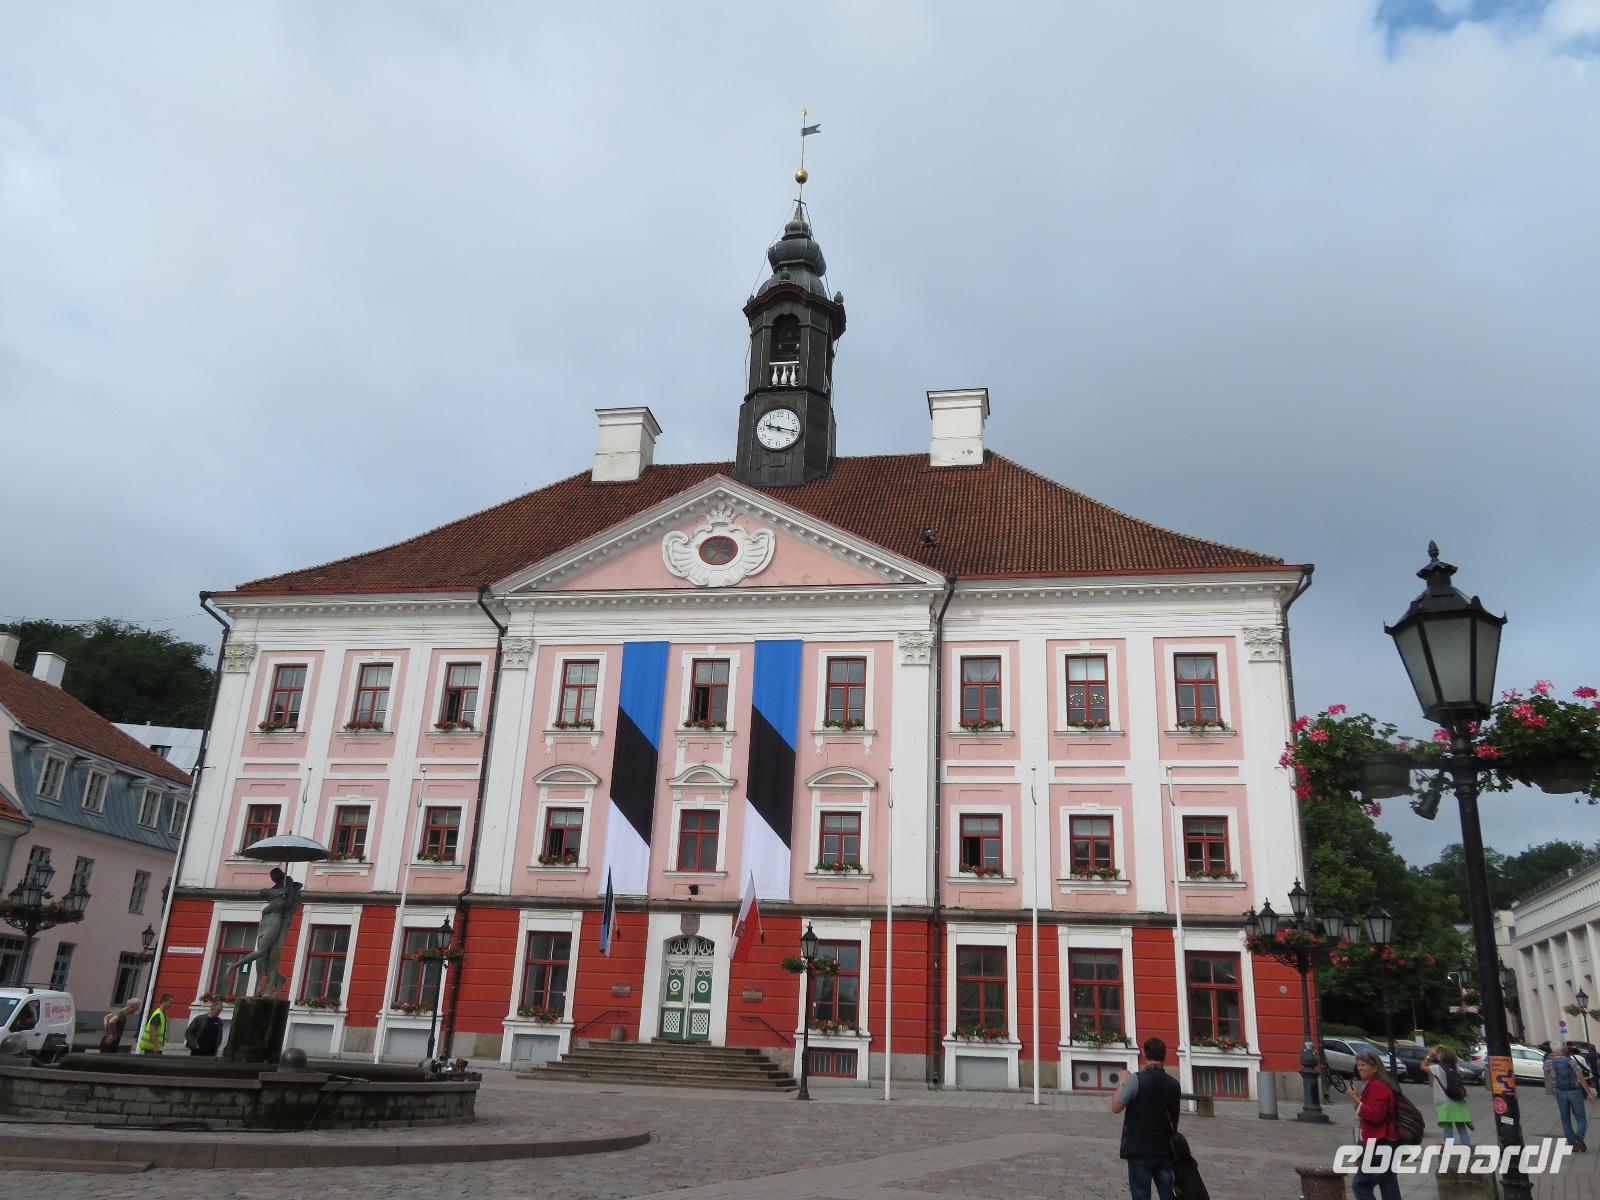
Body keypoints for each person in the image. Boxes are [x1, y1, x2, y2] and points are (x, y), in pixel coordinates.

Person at [1110, 1036, 1182, 1200]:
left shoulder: (1136, 1080)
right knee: (1167, 1194)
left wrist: (1122, 1083)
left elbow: (1116, 1107)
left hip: (1140, 1148)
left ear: (1143, 1053)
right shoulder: (1173, 1084)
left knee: (1141, 1194)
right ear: (1165, 1055)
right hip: (1165, 1148)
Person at [1348, 1050, 1403, 1200]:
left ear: (1375, 1068)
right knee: (1388, 1186)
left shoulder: (1378, 1086)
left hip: (1381, 1142)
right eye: (1358, 1064)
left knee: (1360, 1185)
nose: (1359, 1068)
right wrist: (1361, 1101)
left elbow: (1376, 1116)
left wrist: (1356, 1101)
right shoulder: (1374, 1085)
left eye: (1363, 1065)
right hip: (1384, 1142)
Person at [1545, 1038, 1593, 1152]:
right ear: (1562, 1048)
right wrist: (1589, 1093)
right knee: (1581, 1117)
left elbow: (1548, 1075)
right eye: (1564, 1046)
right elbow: (1580, 1077)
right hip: (1574, 1091)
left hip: (1560, 1092)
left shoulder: (1548, 1061)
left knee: (1565, 1119)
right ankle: (1580, 1133)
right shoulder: (1570, 1061)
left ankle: (1572, 1144)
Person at [1425, 1044, 1472, 1145]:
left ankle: (1449, 1150)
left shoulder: (1437, 1068)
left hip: (1443, 1103)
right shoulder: (1455, 1068)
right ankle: (1467, 1149)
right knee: (1462, 1128)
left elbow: (1422, 1066)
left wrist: (1429, 1055)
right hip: (1458, 1102)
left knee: (1448, 1129)